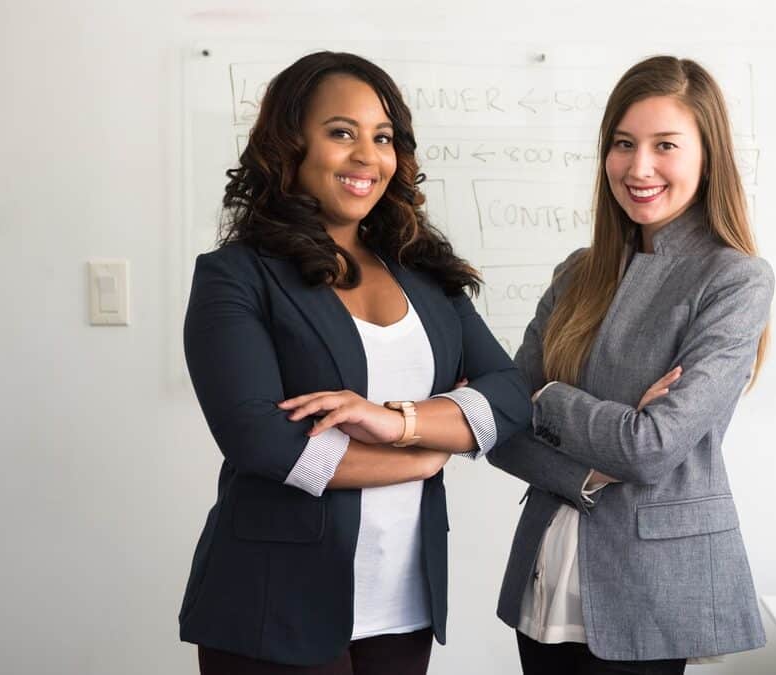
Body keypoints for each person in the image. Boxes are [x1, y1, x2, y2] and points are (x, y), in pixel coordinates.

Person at [178, 51, 532, 675]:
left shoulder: (425, 274)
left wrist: (396, 424)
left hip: (403, 602)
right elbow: (262, 441)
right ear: (290, 145)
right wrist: (422, 457)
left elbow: (509, 394)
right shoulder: (237, 276)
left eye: (383, 137)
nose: (368, 156)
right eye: (342, 133)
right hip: (273, 602)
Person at [487, 55, 774, 674]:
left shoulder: (734, 280)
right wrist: (588, 472)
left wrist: (548, 398)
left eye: (664, 145)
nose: (638, 167)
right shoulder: (577, 272)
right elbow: (500, 430)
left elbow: (650, 448)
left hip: (651, 585)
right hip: (547, 571)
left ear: (707, 155)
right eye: (623, 144)